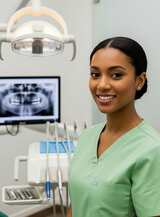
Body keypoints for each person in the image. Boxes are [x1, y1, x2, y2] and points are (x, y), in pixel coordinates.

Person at [67, 37, 160, 217]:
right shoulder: (88, 136)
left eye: (116, 75)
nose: (102, 85)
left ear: (139, 81)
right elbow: (76, 204)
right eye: (95, 74)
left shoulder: (151, 150)